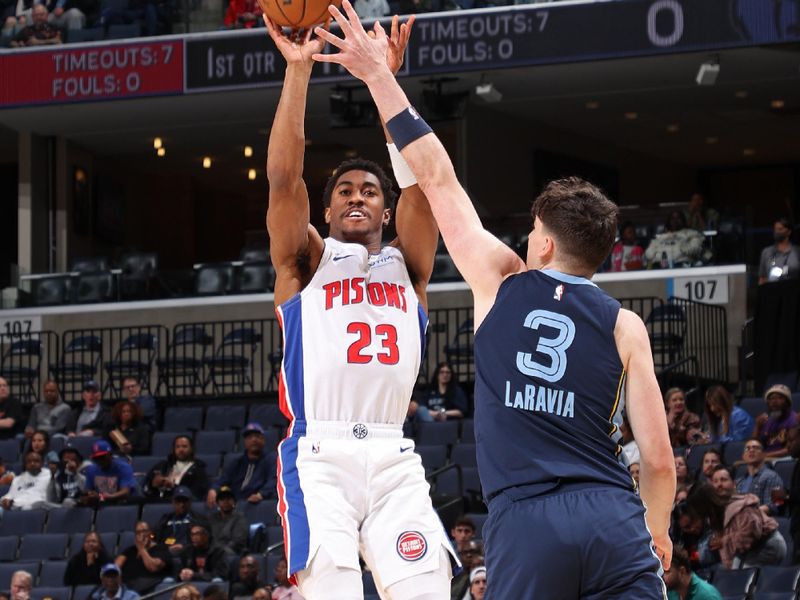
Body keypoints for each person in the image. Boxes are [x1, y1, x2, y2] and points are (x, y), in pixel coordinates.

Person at [312, 10, 676, 597]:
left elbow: (436, 176)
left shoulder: (501, 278)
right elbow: (658, 461)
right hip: (612, 514)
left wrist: (379, 77)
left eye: (532, 229)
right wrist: (655, 529)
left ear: (547, 242)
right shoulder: (625, 326)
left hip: (527, 519)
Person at [263, 13, 454, 598]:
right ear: (326, 212)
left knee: (428, 588)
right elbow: (283, 179)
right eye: (344, 191)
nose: (356, 197)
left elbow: (424, 185)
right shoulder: (306, 265)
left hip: (394, 453)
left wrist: (382, 83)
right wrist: (297, 72)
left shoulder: (410, 265)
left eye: (369, 191)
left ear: (385, 211)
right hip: (320, 454)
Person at [687, 484, 786, 569]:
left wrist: (723, 541)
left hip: (767, 545)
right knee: (731, 575)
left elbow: (750, 535)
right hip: (749, 551)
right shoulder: (716, 515)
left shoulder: (740, 508)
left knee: (741, 576)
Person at [207, 423, 276, 507]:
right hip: (234, 503)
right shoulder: (237, 462)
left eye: (257, 436)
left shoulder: (271, 460)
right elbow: (223, 480)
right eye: (250, 437)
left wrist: (261, 494)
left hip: (256, 503)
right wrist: (213, 490)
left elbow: (273, 480)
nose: (254, 440)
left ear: (263, 440)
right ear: (245, 442)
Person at [145, 435, 209, 501]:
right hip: (158, 500)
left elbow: (197, 493)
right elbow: (146, 486)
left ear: (191, 449)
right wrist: (152, 484)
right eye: (177, 447)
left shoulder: (199, 469)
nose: (181, 449)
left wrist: (173, 486)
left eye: (184, 446)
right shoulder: (163, 465)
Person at [116, 521, 173, 593]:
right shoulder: (130, 550)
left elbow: (153, 567)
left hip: (150, 588)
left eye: (144, 531)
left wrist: (142, 549)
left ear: (150, 533)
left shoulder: (161, 548)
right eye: (138, 532)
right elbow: (115, 567)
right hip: (127, 588)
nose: (142, 534)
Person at [155, 486, 210, 555]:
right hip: (166, 554)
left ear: (190, 502)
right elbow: (156, 538)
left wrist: (184, 547)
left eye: (184, 501)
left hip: (189, 554)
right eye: (178, 501)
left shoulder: (199, 519)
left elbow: (205, 541)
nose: (182, 504)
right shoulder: (165, 519)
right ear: (173, 502)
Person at [735, 438, 785, 514]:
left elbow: (776, 505)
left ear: (764, 455)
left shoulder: (772, 477)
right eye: (747, 448)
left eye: (756, 448)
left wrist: (748, 514)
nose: (751, 450)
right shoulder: (739, 481)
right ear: (743, 456)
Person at [82, 440, 136, 505]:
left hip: (122, 504)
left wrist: (104, 497)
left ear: (110, 455)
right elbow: (88, 491)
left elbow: (125, 492)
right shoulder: (91, 469)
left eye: (102, 457)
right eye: (96, 458)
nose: (100, 460)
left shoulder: (124, 467)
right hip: (101, 504)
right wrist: (89, 496)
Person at [753, 383, 797, 458]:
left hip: (785, 460)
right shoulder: (767, 421)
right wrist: (757, 427)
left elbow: (790, 450)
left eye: (780, 398)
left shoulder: (794, 419)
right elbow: (753, 446)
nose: (774, 401)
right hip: (766, 459)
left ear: (787, 402)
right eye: (771, 399)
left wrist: (765, 455)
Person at [208, 485, 249, 557]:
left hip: (232, 552)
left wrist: (220, 551)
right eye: (222, 499)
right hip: (213, 553)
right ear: (217, 502)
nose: (225, 502)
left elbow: (238, 541)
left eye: (228, 499)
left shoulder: (239, 518)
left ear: (234, 502)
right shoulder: (212, 518)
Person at [758, 217, 799, 284]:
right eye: (775, 229)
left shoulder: (797, 252)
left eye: (780, 229)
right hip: (772, 291)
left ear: (788, 232)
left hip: (793, 291)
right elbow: (762, 278)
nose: (777, 232)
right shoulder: (767, 252)